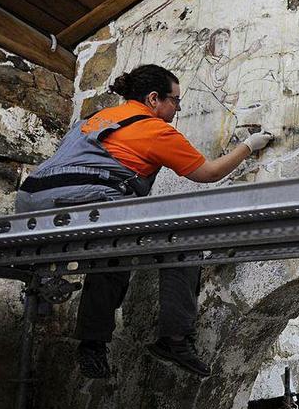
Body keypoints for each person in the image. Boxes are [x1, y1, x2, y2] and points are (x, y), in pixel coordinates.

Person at [15, 64, 274, 379]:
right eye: (175, 100)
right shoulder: (156, 130)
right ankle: (175, 340)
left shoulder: (95, 119)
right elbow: (209, 173)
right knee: (183, 242)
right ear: (154, 99)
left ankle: (92, 343)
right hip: (84, 201)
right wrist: (249, 146)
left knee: (114, 251)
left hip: (30, 202)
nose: (178, 108)